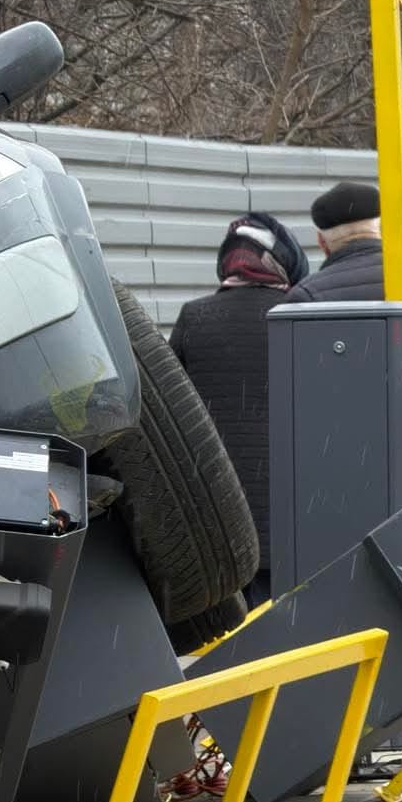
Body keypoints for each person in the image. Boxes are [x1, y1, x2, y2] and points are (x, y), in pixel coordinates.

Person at [170, 212, 308, 606]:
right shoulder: (299, 317)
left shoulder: (195, 316)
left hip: (216, 496)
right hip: (289, 498)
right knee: (284, 621)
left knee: (224, 621)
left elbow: (171, 401)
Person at [285, 181, 402, 449]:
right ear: (382, 230)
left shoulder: (305, 300)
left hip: (345, 459)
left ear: (322, 242)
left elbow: (296, 397)